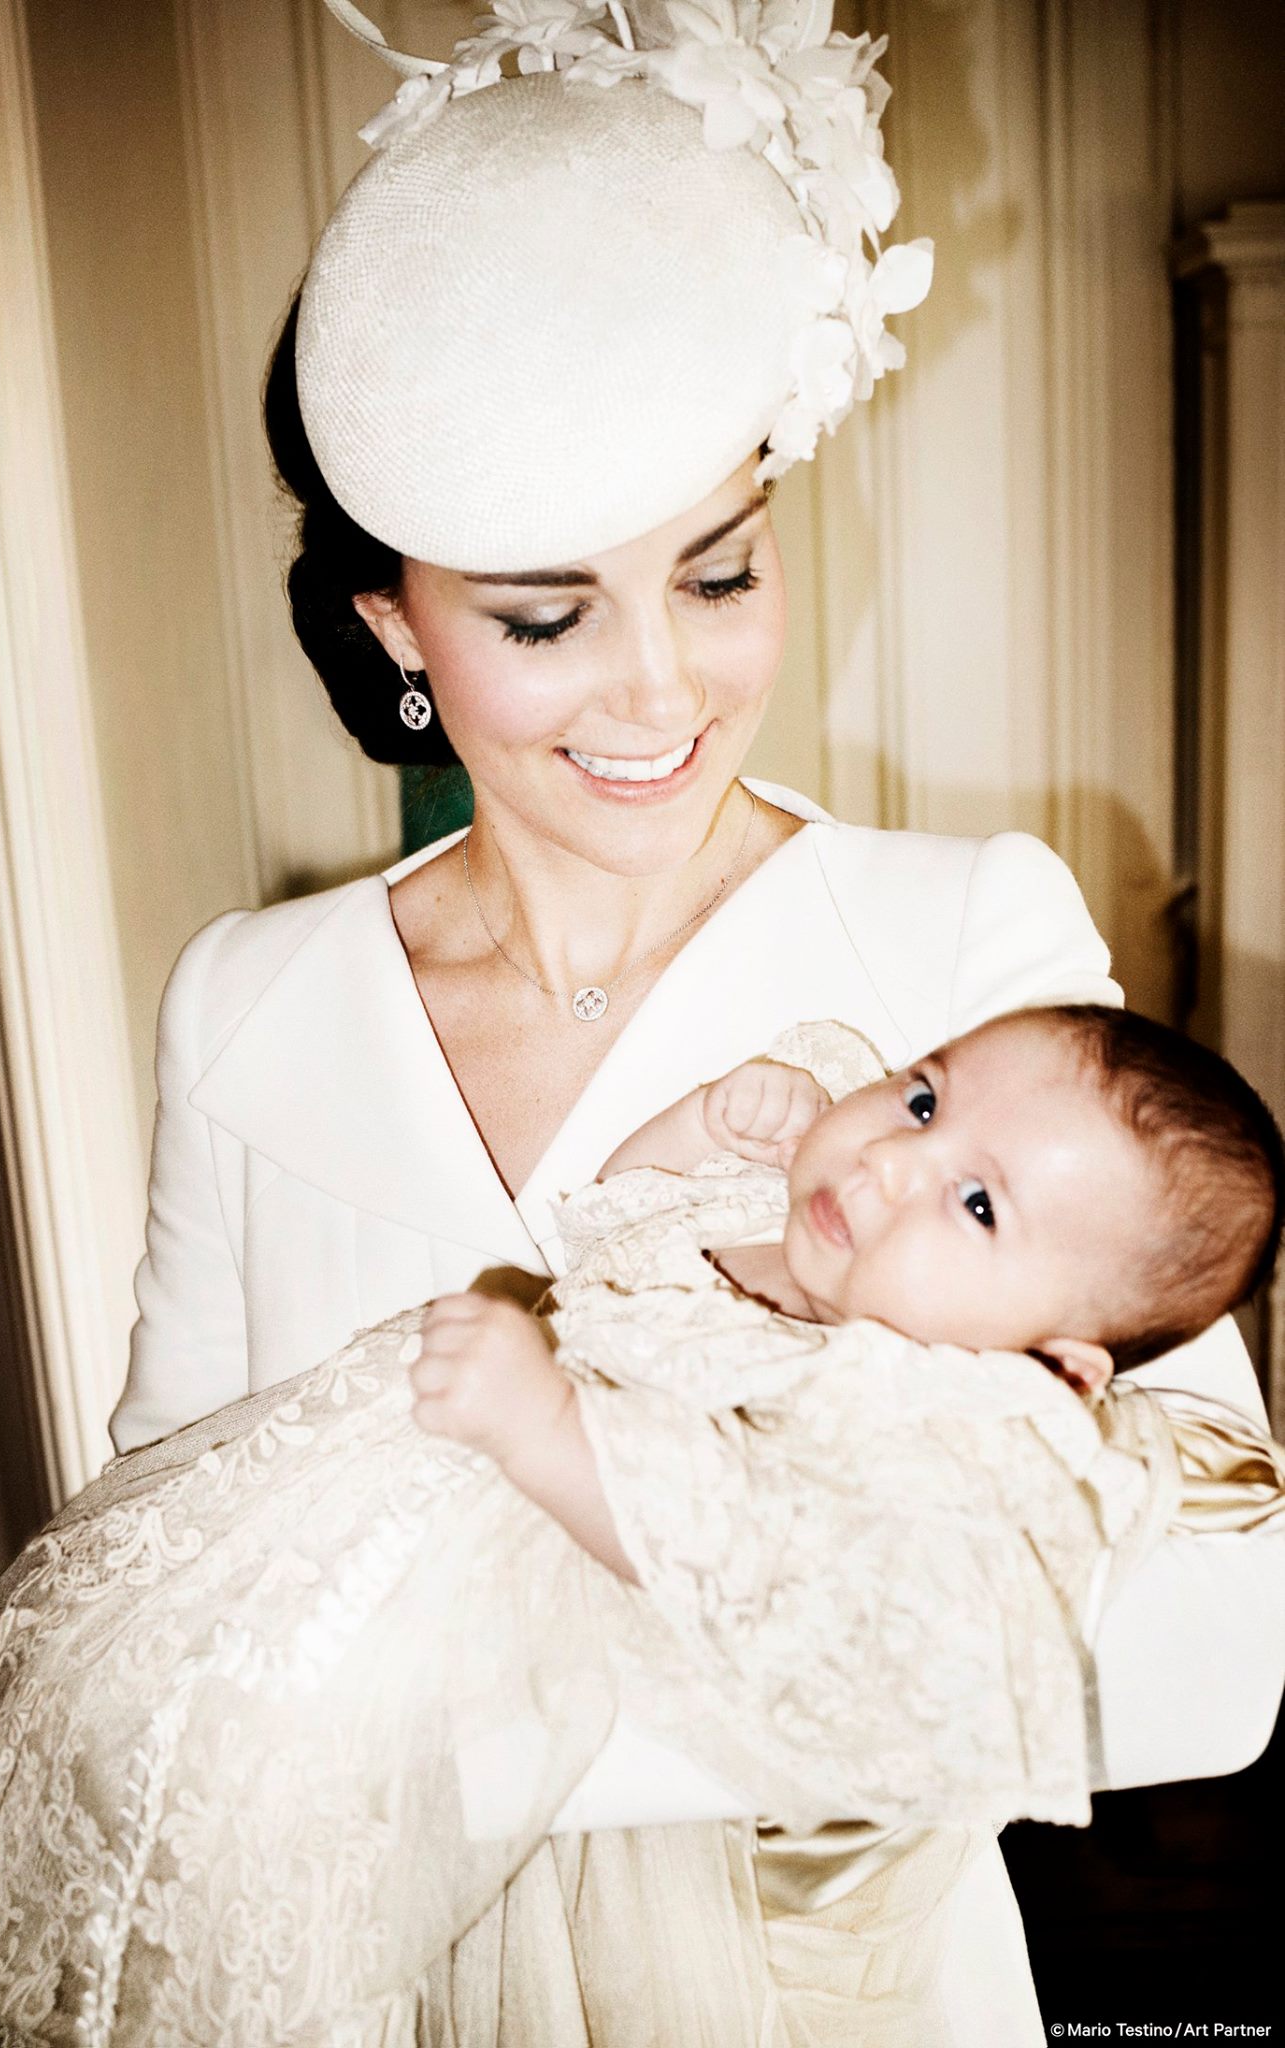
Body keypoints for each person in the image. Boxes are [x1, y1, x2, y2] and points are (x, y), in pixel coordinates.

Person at [103, 2, 1285, 2041]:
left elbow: (1205, 1638)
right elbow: (146, 1598)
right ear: (394, 629)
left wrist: (486, 1671)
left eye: (718, 575)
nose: (657, 696)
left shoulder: (963, 950)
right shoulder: (250, 1008)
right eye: (547, 618)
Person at [0, 1007, 1283, 2047]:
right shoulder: (784, 1220)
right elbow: (609, 1233)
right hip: (352, 1516)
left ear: (1053, 1362)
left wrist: (548, 1431)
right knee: (139, 1719)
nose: (886, 1164)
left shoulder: (915, 1412)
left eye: (975, 1204)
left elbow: (741, 1560)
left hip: (578, 1782)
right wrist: (694, 1128)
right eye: (922, 1098)